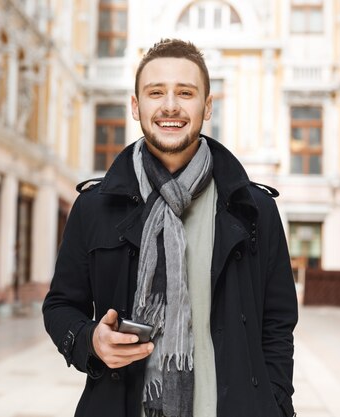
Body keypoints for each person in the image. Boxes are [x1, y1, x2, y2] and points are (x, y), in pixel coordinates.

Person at [43, 38, 298, 417]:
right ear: (136, 106)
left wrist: (275, 403)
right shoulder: (94, 207)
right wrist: (90, 341)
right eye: (155, 92)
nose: (170, 105)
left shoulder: (253, 210)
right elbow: (61, 305)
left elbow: (278, 324)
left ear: (207, 106)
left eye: (186, 92)